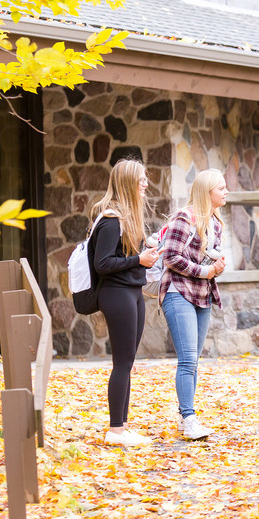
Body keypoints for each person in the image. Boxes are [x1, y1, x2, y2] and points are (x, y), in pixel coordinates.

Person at [90, 158, 161, 447]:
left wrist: (146, 250)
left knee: (128, 363)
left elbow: (122, 255)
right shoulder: (110, 219)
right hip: (116, 294)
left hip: (132, 291)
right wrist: (138, 259)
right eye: (141, 180)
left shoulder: (128, 217)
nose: (145, 184)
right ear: (128, 183)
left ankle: (124, 426)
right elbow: (102, 263)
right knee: (121, 363)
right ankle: (115, 431)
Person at [159, 169, 228, 440]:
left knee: (194, 361)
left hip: (203, 294)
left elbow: (209, 263)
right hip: (178, 292)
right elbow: (171, 258)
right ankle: (189, 418)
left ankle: (183, 414)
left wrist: (216, 268)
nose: (225, 192)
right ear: (207, 191)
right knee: (187, 359)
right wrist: (205, 272)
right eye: (220, 188)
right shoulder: (184, 218)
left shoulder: (216, 223)